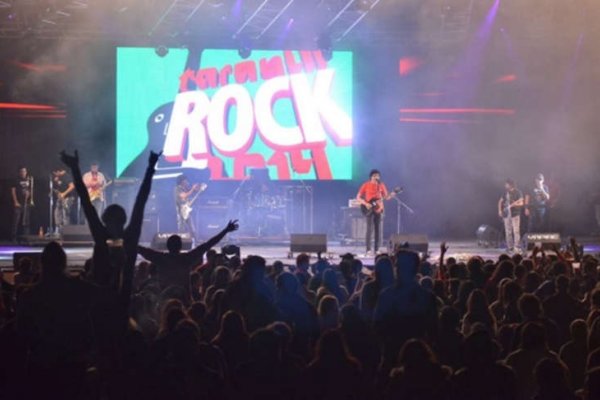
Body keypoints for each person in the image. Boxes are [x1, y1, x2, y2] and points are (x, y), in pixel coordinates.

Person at [137, 220, 239, 293]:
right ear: (181, 246)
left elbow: (139, 248)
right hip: (184, 298)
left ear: (167, 246)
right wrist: (225, 230)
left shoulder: (160, 258)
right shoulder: (186, 258)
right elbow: (209, 244)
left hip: (164, 298)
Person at [356, 169, 390, 256]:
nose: (376, 177)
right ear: (371, 177)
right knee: (369, 229)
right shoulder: (366, 185)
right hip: (369, 208)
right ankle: (368, 249)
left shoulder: (381, 185)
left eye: (378, 176)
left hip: (378, 209)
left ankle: (377, 249)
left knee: (378, 229)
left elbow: (387, 197)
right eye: (374, 176)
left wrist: (391, 195)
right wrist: (366, 203)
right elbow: (358, 197)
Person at [174, 174, 206, 241]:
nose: (187, 182)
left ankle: (196, 241)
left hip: (186, 210)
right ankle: (179, 242)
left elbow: (194, 191)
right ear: (182, 181)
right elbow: (183, 196)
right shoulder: (177, 189)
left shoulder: (185, 188)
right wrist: (192, 189)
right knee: (181, 228)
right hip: (181, 211)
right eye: (185, 180)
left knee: (192, 228)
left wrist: (200, 188)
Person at [498, 178, 524, 253]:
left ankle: (517, 247)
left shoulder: (518, 192)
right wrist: (499, 210)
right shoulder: (505, 192)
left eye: (506, 184)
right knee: (508, 231)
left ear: (510, 184)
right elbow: (500, 202)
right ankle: (510, 247)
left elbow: (522, 203)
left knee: (516, 231)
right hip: (506, 214)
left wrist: (514, 204)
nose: (505, 185)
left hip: (515, 214)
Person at [11, 166, 32, 241]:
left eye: (24, 171)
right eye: (22, 171)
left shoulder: (29, 180)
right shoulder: (16, 180)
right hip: (18, 203)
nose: (23, 173)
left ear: (26, 172)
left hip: (26, 203)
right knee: (16, 222)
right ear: (20, 172)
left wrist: (28, 194)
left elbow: (30, 190)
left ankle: (26, 238)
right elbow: (13, 191)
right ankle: (13, 238)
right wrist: (15, 201)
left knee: (26, 222)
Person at [51, 167, 75, 234]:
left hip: (68, 198)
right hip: (60, 199)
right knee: (57, 213)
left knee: (65, 214)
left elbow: (72, 186)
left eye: (55, 173)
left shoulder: (66, 176)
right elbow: (58, 188)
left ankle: (66, 232)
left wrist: (64, 194)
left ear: (59, 171)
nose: (55, 174)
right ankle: (58, 230)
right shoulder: (58, 178)